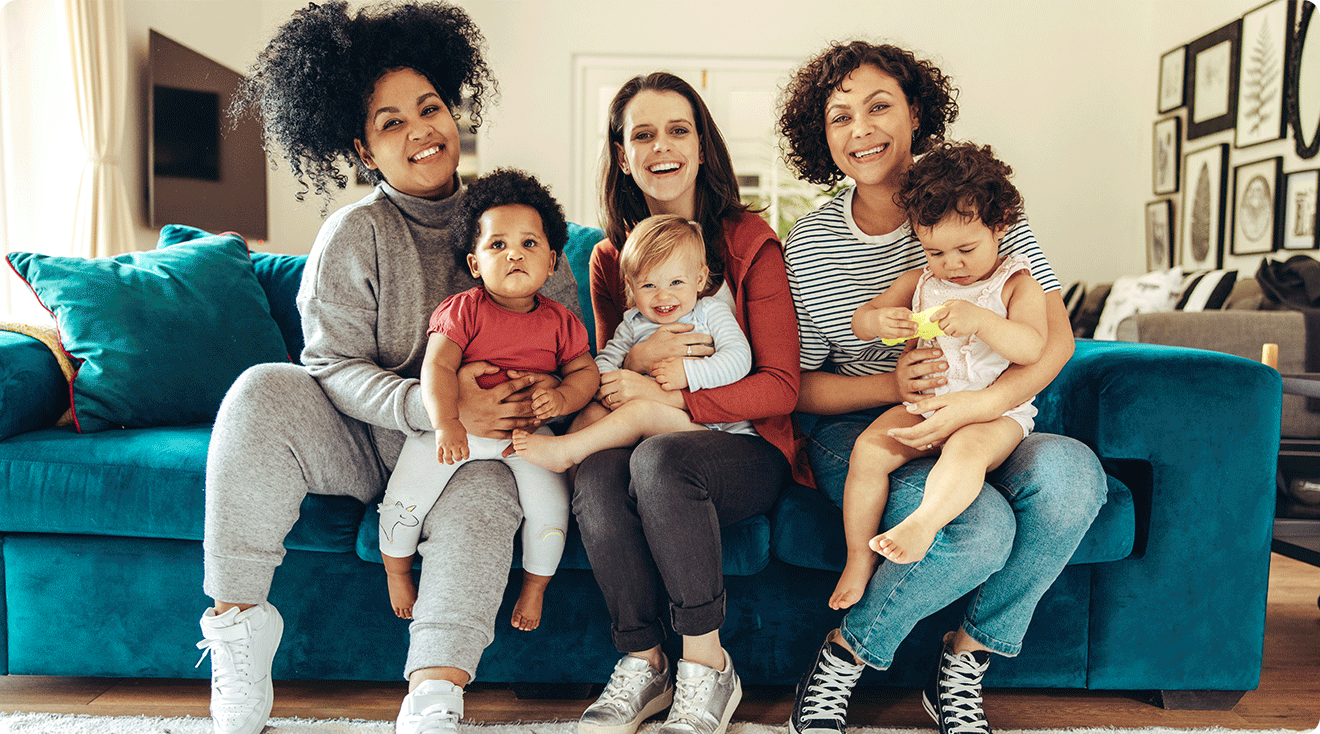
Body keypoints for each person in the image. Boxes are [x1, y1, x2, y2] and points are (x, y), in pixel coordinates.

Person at [196, 4, 583, 734]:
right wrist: (433, 408)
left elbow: (566, 350)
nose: (420, 131)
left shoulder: (515, 225)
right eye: (391, 122)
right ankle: (239, 630)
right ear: (364, 149)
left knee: (490, 484)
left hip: (477, 455)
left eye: (429, 109)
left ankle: (436, 688)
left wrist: (540, 398)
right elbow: (330, 366)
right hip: (371, 438)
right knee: (260, 391)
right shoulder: (355, 232)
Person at [776, 41, 1107, 734]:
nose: (861, 129)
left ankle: (967, 658)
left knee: (1074, 477)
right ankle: (844, 655)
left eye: (879, 106)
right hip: (866, 425)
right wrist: (891, 384)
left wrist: (982, 405)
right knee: (977, 529)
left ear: (916, 111)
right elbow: (798, 388)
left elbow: (1057, 340)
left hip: (985, 408)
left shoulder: (976, 205)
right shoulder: (808, 243)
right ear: (822, 135)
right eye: (840, 117)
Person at [572, 72, 802, 734]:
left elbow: (780, 386)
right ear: (622, 154)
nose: (661, 147)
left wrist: (666, 393)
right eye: (642, 134)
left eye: (678, 130)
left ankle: (706, 666)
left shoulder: (748, 241)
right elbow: (612, 368)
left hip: (747, 444)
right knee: (596, 470)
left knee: (660, 461)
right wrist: (639, 365)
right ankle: (644, 661)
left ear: (702, 146)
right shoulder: (613, 257)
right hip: (654, 435)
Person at [831, 142, 1048, 611]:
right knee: (868, 451)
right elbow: (862, 318)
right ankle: (857, 558)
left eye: (966, 249)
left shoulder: (1015, 282)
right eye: (936, 250)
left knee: (967, 450)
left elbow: (1034, 346)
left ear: (1000, 225)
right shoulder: (921, 283)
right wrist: (879, 323)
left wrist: (984, 321)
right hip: (927, 405)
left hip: (994, 414)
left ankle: (924, 522)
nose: (952, 264)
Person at [380, 168, 598, 631]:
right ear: (476, 263)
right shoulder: (463, 310)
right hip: (457, 430)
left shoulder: (561, 322)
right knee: (407, 494)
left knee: (550, 505)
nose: (514, 254)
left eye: (529, 244)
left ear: (554, 262)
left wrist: (561, 397)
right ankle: (396, 571)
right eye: (497, 245)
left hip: (526, 437)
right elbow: (436, 368)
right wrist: (445, 424)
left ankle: (535, 587)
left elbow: (585, 373)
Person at [512, 214, 752, 473]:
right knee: (593, 414)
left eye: (676, 282)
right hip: (652, 419)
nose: (663, 296)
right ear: (631, 286)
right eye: (649, 284)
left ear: (699, 279)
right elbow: (601, 366)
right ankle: (572, 495)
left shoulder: (710, 312)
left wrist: (688, 373)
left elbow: (739, 358)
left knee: (639, 412)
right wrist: (619, 376)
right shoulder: (633, 322)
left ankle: (565, 452)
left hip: (709, 425)